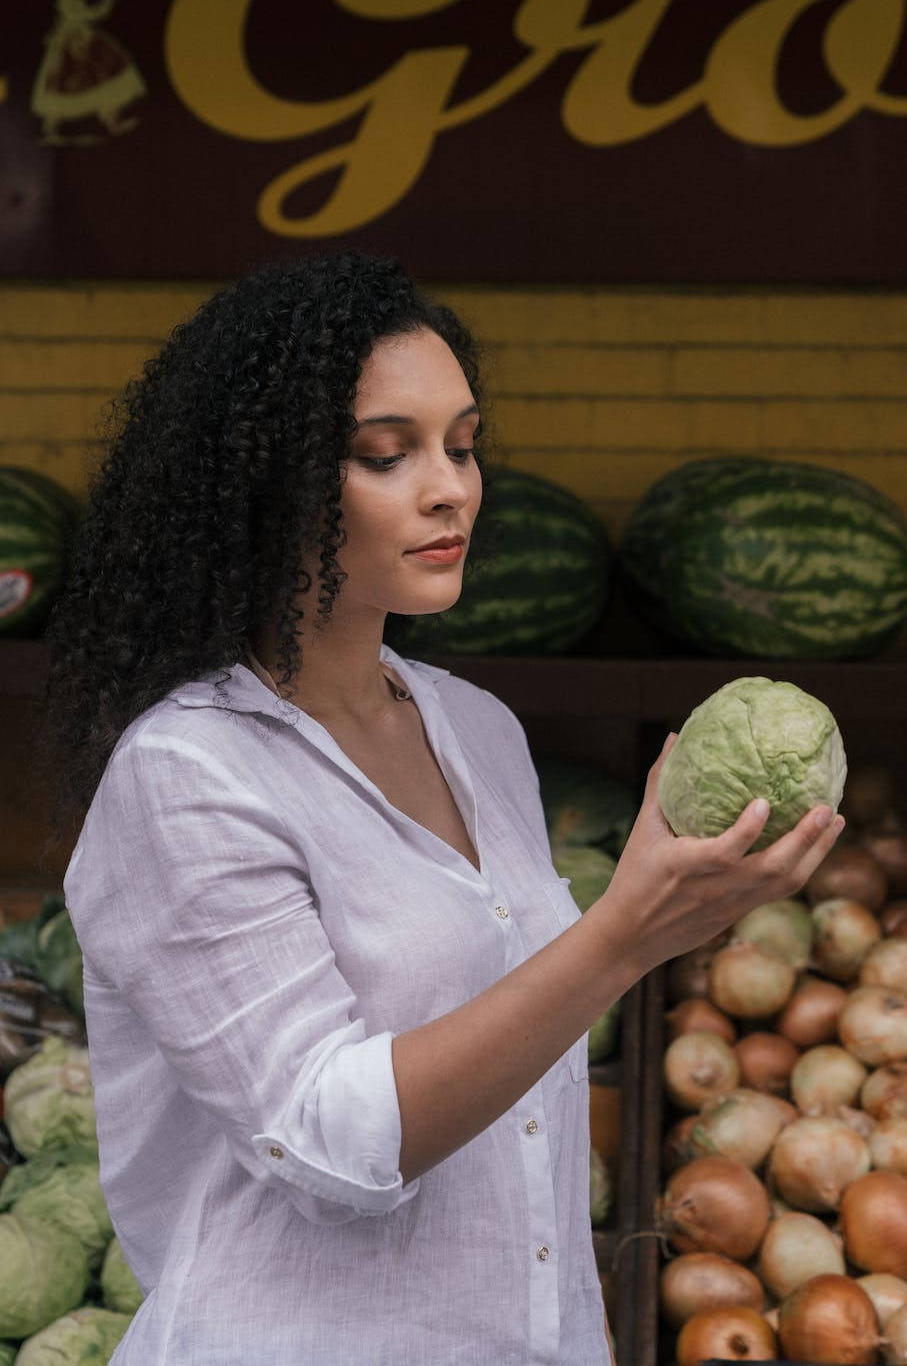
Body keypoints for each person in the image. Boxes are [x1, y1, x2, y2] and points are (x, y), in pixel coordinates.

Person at [36, 252, 844, 1365]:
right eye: (387, 453)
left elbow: (534, 1154)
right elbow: (330, 1146)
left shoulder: (478, 731)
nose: (449, 486)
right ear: (266, 484)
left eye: (462, 446)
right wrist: (624, 938)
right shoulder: (187, 775)